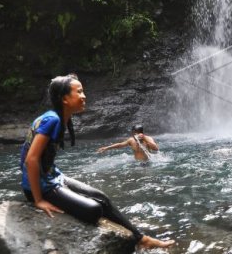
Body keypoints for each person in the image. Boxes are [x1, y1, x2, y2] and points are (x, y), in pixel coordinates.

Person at [20, 74, 174, 249]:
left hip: (52, 177)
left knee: (103, 198)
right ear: (64, 99)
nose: (84, 96)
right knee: (94, 210)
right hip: (41, 187)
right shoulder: (53, 120)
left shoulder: (57, 118)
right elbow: (30, 160)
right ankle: (139, 239)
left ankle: (141, 239)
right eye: (79, 92)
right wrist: (38, 200)